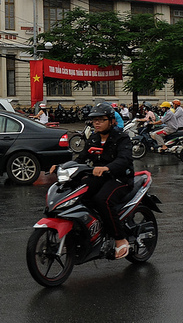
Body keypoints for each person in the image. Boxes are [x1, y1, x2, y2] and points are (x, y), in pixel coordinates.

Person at [50, 102, 134, 258]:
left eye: (101, 120)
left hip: (120, 178)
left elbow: (124, 159)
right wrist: (61, 166)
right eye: (95, 120)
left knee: (103, 200)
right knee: (78, 193)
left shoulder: (121, 138)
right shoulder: (94, 138)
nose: (97, 123)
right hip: (98, 177)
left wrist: (107, 168)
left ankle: (120, 238)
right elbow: (81, 158)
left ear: (112, 121)